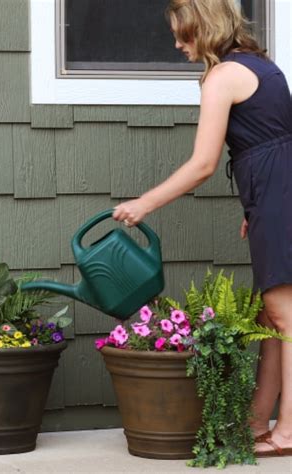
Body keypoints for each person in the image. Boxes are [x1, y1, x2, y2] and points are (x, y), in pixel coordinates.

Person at [113, 0, 292, 457]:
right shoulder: (260, 66)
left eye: (185, 34)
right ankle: (258, 420)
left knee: (285, 316)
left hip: (276, 193)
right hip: (274, 192)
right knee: (271, 318)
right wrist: (258, 206)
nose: (178, 44)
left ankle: (287, 431)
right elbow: (273, 140)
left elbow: (203, 164)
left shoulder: (223, 75)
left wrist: (144, 204)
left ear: (207, 29)